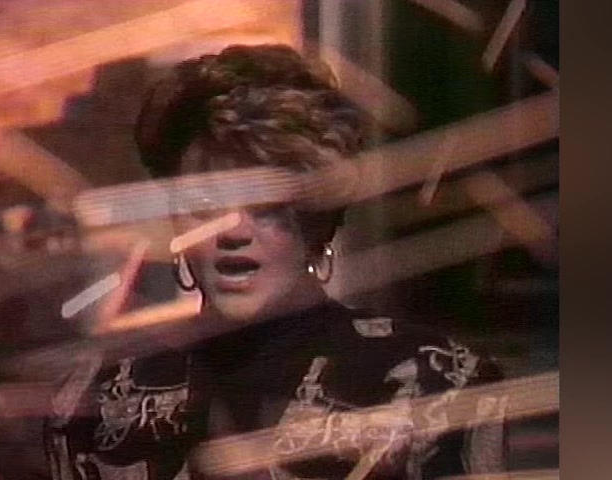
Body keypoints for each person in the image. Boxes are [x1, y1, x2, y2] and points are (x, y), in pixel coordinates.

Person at [44, 44, 506, 480]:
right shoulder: (98, 394)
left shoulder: (434, 384)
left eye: (265, 205)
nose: (233, 231)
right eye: (205, 202)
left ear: (316, 220)